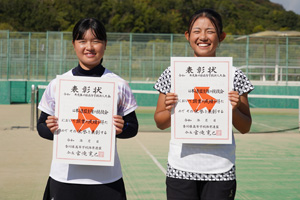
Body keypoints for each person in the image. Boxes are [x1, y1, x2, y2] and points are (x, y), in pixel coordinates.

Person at [154, 9, 254, 200]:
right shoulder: (172, 73)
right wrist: (170, 109)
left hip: (221, 168)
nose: (203, 37)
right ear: (187, 36)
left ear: (221, 36)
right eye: (197, 31)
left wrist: (232, 110)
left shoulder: (235, 75)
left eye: (210, 31)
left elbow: (245, 127)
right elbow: (160, 122)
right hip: (180, 168)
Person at [37, 18, 138, 200]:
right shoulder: (58, 84)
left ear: (105, 44)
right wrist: (51, 128)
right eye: (82, 41)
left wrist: (121, 128)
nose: (89, 47)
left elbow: (133, 127)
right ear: (74, 45)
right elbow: (41, 127)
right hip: (64, 178)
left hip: (107, 180)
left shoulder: (118, 84)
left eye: (96, 41)